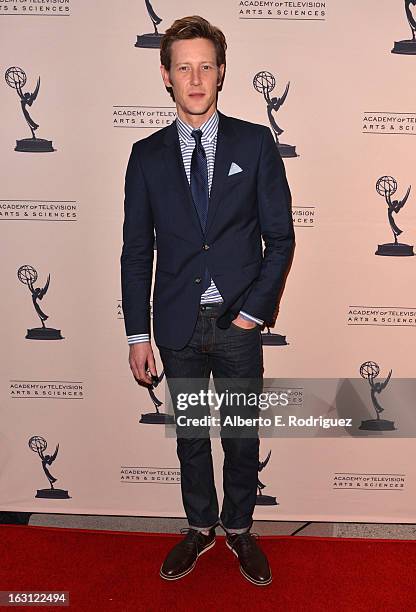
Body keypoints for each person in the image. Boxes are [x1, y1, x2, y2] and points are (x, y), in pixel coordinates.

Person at [121, 15, 295, 586]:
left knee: (242, 436)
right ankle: (199, 527)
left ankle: (240, 529)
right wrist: (138, 335)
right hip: (176, 326)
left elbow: (281, 237)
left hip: (237, 323)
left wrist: (253, 312)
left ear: (221, 74)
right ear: (166, 76)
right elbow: (135, 250)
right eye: (183, 67)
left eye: (206, 66)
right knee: (192, 436)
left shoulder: (255, 143)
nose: (195, 78)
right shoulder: (145, 156)